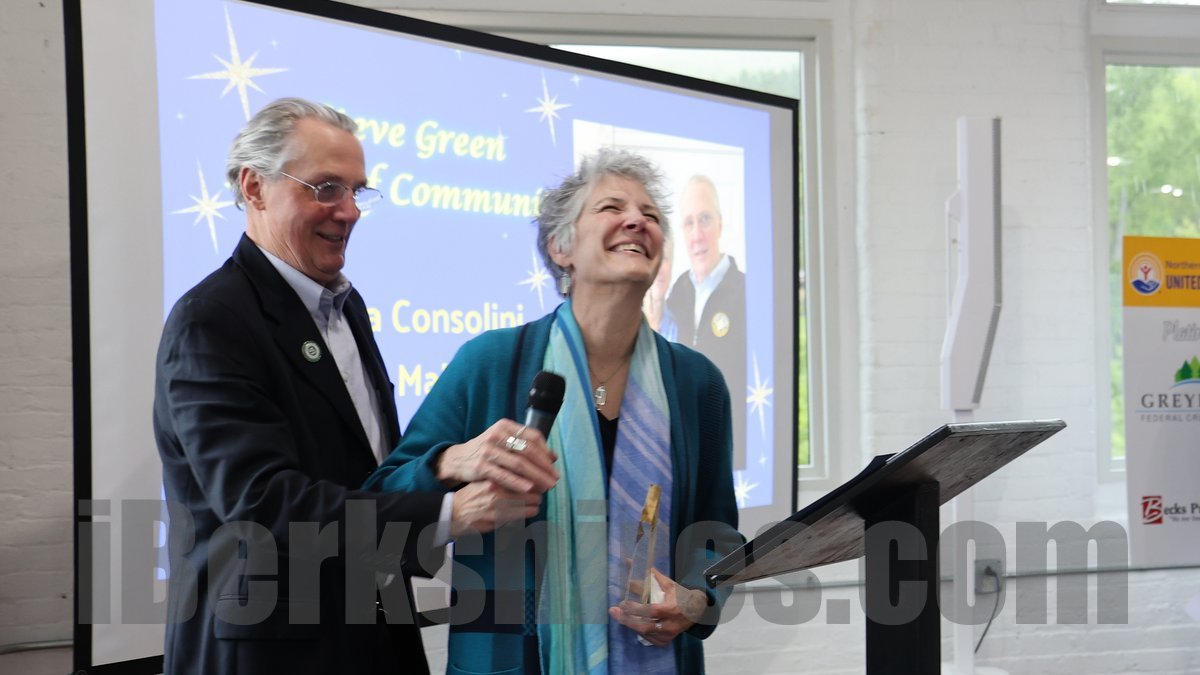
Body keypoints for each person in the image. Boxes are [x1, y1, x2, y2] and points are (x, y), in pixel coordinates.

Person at [153, 97, 537, 675]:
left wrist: (442, 465)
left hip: (374, 634)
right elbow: (263, 505)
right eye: (326, 188)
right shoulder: (211, 320)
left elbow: (364, 473)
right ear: (255, 188)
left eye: (357, 191)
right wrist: (447, 514)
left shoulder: (345, 307)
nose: (350, 211)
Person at [367, 148, 742, 674]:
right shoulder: (490, 362)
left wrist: (698, 597)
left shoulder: (698, 383)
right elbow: (381, 501)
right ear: (560, 247)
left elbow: (716, 533)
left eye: (652, 215)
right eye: (611, 208)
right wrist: (450, 462)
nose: (637, 220)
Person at [666, 175, 747, 470]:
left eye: (705, 219)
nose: (697, 234)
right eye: (688, 223)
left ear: (720, 224)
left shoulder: (746, 291)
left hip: (732, 453)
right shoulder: (675, 294)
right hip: (685, 453)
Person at [642, 235, 679, 342]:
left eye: (664, 258)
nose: (658, 268)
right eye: (651, 257)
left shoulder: (678, 324)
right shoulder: (623, 320)